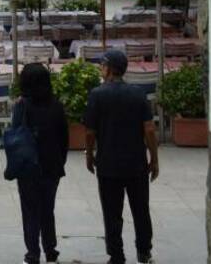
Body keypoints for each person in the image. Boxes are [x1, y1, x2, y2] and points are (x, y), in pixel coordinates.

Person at [84, 49, 159, 264]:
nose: (100, 68)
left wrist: (89, 155)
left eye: (102, 65)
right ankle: (144, 252)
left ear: (109, 69)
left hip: (108, 165)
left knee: (111, 212)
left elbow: (90, 132)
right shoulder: (138, 94)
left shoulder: (97, 95)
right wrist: (154, 158)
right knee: (141, 210)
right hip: (136, 164)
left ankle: (116, 255)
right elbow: (149, 129)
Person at [12, 62, 69, 264]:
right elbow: (64, 138)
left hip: (28, 168)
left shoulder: (21, 106)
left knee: (30, 211)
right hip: (51, 166)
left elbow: (15, 134)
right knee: (47, 210)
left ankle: (33, 253)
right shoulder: (56, 105)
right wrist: (60, 161)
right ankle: (51, 249)